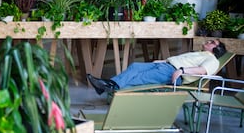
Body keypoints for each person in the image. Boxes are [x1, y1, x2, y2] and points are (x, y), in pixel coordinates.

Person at [87, 39, 227, 95]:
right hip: (165, 65)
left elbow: (202, 71)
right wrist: (161, 61)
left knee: (140, 78)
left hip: (174, 73)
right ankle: (108, 85)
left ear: (217, 49)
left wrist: (182, 70)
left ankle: (108, 86)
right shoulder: (201, 53)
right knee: (135, 66)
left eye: (213, 42)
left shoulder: (212, 60)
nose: (209, 41)